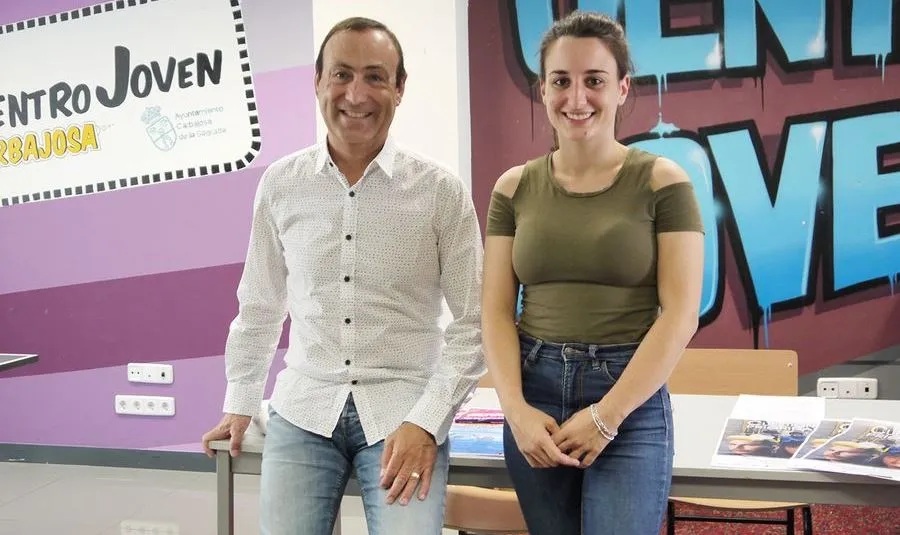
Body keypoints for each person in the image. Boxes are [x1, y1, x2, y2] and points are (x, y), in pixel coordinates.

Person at [201, 17, 484, 535]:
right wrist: (240, 400)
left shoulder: (441, 192)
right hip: (304, 408)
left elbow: (475, 323)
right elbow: (260, 305)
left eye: (376, 77)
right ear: (318, 81)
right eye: (342, 74)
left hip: (404, 410)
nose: (356, 94)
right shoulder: (281, 185)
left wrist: (428, 420)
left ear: (400, 89)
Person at [481, 10, 705, 535]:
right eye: (561, 81)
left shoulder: (662, 183)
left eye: (595, 81)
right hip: (535, 399)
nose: (576, 99)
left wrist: (608, 416)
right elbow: (493, 312)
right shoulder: (513, 188)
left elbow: (680, 315)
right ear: (543, 90)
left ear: (623, 89)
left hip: (628, 397)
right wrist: (514, 409)